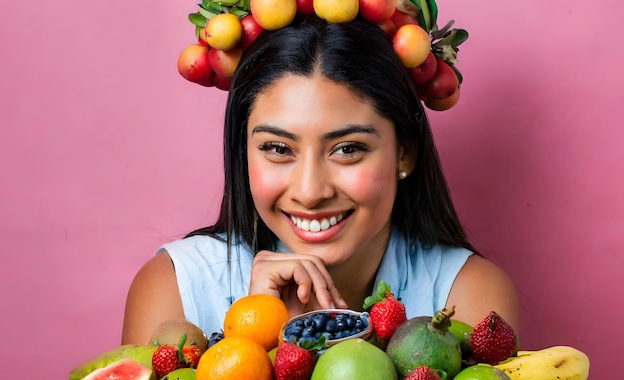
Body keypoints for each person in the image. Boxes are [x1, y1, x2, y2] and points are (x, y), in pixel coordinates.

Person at [121, 15, 518, 345]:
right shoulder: (175, 288)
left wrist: (311, 342)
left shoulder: (467, 297)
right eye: (278, 148)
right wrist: (262, 337)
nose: (310, 192)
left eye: (347, 149)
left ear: (405, 152)